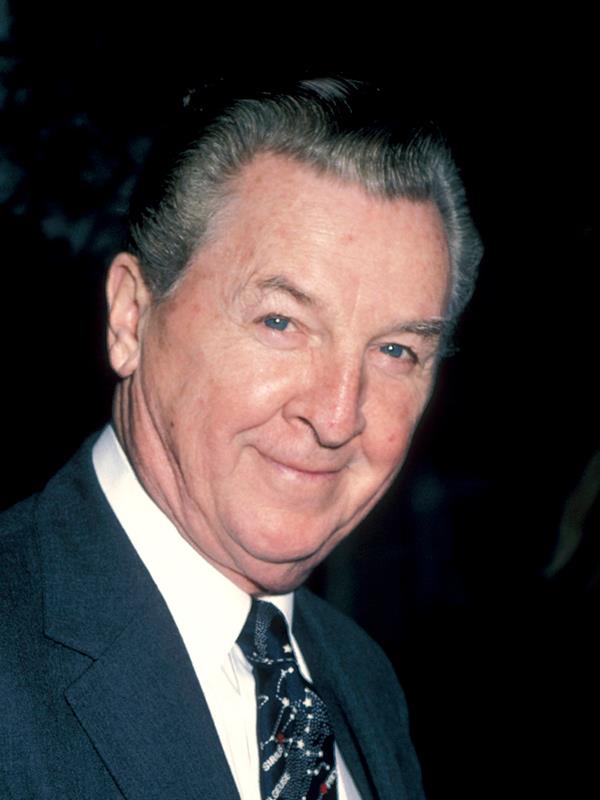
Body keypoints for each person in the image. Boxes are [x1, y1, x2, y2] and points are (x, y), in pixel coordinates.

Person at [0, 77, 482, 799]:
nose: (337, 416)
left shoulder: (363, 683)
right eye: (280, 322)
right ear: (131, 317)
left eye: (395, 351)